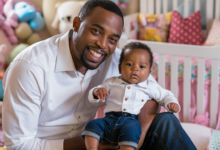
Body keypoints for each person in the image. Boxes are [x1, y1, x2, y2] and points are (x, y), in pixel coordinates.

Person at [2, 0, 196, 150]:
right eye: (96, 31)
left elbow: (152, 92)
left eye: (112, 39)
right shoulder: (30, 68)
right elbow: (19, 146)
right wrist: (92, 144)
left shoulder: (118, 62)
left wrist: (138, 136)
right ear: (76, 24)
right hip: (61, 145)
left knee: (166, 121)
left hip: (105, 138)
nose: (103, 45)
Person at [82, 42, 180, 150]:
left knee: (133, 131)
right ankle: (92, 148)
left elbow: (165, 95)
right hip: (108, 120)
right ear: (120, 68)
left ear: (148, 73)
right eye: (129, 64)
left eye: (141, 66)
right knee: (93, 124)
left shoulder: (149, 86)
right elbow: (93, 93)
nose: (135, 69)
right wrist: (96, 92)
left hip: (131, 120)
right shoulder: (112, 81)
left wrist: (171, 103)